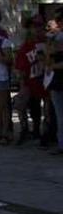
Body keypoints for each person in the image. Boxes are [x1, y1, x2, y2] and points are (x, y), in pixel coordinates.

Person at [13, 16, 45, 145]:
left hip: (44, 80)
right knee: (23, 105)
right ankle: (25, 128)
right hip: (29, 81)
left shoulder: (47, 42)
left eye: (39, 27)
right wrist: (21, 82)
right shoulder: (26, 46)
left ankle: (43, 130)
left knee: (46, 109)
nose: (37, 30)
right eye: (34, 27)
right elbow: (20, 65)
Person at [45, 18, 63, 154]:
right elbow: (47, 60)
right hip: (56, 82)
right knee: (59, 115)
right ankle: (61, 144)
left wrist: (54, 65)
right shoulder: (54, 39)